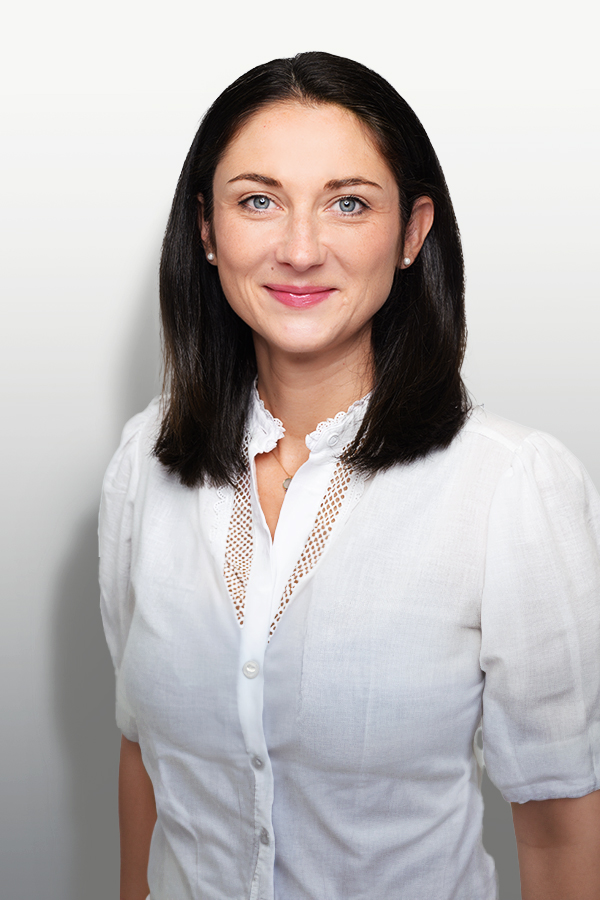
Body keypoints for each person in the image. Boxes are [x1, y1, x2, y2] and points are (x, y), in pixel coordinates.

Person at [99, 52, 600, 900]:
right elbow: (145, 757)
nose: (300, 248)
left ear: (411, 234)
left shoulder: (511, 486)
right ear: (207, 231)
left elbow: (557, 830)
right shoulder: (142, 465)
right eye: (258, 200)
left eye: (349, 203)